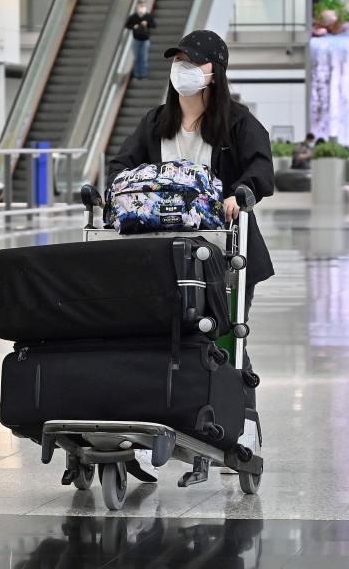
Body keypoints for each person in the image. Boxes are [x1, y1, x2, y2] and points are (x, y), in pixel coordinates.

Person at [108, 30, 275, 473]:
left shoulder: (236, 123)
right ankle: (147, 430)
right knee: (157, 336)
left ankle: (234, 427)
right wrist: (122, 192)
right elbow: (120, 167)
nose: (181, 68)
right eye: (178, 60)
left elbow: (261, 167)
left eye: (192, 61)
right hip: (162, 253)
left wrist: (241, 193)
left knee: (220, 335)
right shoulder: (155, 122)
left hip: (224, 251)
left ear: (213, 73)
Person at [125, 1, 156, 80]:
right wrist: (133, 26)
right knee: (137, 57)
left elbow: (153, 25)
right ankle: (137, 74)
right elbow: (127, 25)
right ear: (137, 7)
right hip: (136, 40)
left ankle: (143, 74)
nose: (142, 7)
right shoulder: (134, 17)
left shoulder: (148, 16)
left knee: (144, 57)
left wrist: (147, 23)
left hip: (145, 40)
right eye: (140, 6)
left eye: (143, 6)